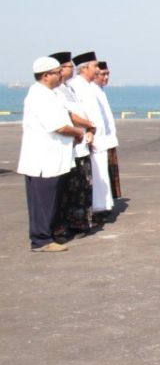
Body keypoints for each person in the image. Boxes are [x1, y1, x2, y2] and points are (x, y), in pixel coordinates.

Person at [18, 57, 82, 252]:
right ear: (46, 76)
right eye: (57, 72)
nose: (60, 75)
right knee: (43, 201)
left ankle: (47, 235)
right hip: (43, 159)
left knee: (51, 199)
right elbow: (58, 127)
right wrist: (77, 132)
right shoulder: (39, 95)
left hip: (54, 157)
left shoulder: (50, 93)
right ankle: (41, 240)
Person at [59, 51, 103, 234]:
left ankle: (80, 222)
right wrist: (89, 125)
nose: (99, 70)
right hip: (74, 142)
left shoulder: (68, 88)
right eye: (70, 66)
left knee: (82, 186)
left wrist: (90, 130)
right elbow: (69, 115)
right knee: (73, 187)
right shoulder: (63, 88)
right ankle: (70, 224)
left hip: (83, 140)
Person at [89, 59, 120, 218]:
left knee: (107, 172)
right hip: (97, 140)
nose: (106, 77)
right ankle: (99, 208)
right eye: (103, 74)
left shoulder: (100, 90)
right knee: (99, 174)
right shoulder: (90, 90)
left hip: (107, 139)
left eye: (108, 74)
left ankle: (105, 204)